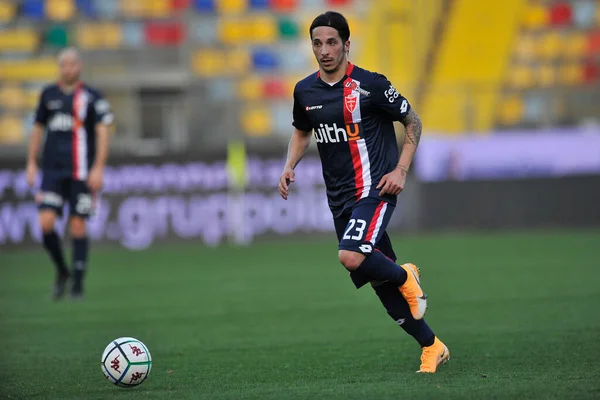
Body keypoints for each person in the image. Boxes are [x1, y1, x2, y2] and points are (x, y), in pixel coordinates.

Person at [278, 11, 449, 373]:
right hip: (338, 198)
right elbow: (301, 130)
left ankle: (406, 275)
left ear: (346, 45)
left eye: (331, 42)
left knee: (351, 257)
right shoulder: (305, 90)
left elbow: (412, 120)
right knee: (377, 281)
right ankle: (431, 346)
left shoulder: (370, 85)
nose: (324, 51)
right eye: (317, 43)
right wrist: (289, 165)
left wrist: (401, 169)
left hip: (374, 189)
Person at [26, 47, 113, 300]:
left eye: (72, 64)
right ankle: (62, 270)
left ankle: (77, 282)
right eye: (64, 64)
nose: (68, 69)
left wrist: (98, 167)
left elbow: (103, 131)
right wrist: (31, 162)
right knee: (46, 223)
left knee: (77, 224)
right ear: (59, 67)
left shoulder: (92, 96)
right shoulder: (48, 94)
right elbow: (37, 130)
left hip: (81, 172)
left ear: (80, 66)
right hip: (52, 172)